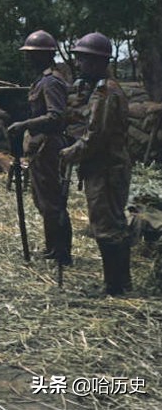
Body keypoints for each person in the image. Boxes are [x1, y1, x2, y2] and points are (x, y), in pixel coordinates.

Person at [59, 32, 132, 296]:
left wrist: (71, 152)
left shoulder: (106, 93)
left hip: (106, 169)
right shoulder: (100, 91)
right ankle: (119, 282)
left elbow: (95, 138)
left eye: (84, 60)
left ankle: (115, 286)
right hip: (105, 168)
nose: (79, 65)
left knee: (106, 226)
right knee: (111, 222)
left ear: (98, 62)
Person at [8, 30, 73, 265]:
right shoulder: (41, 81)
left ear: (45, 55)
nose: (28, 59)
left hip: (49, 145)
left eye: (32, 55)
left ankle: (60, 252)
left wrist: (24, 124)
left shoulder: (51, 82)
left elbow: (56, 116)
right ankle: (52, 248)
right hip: (39, 147)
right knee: (43, 199)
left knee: (52, 200)